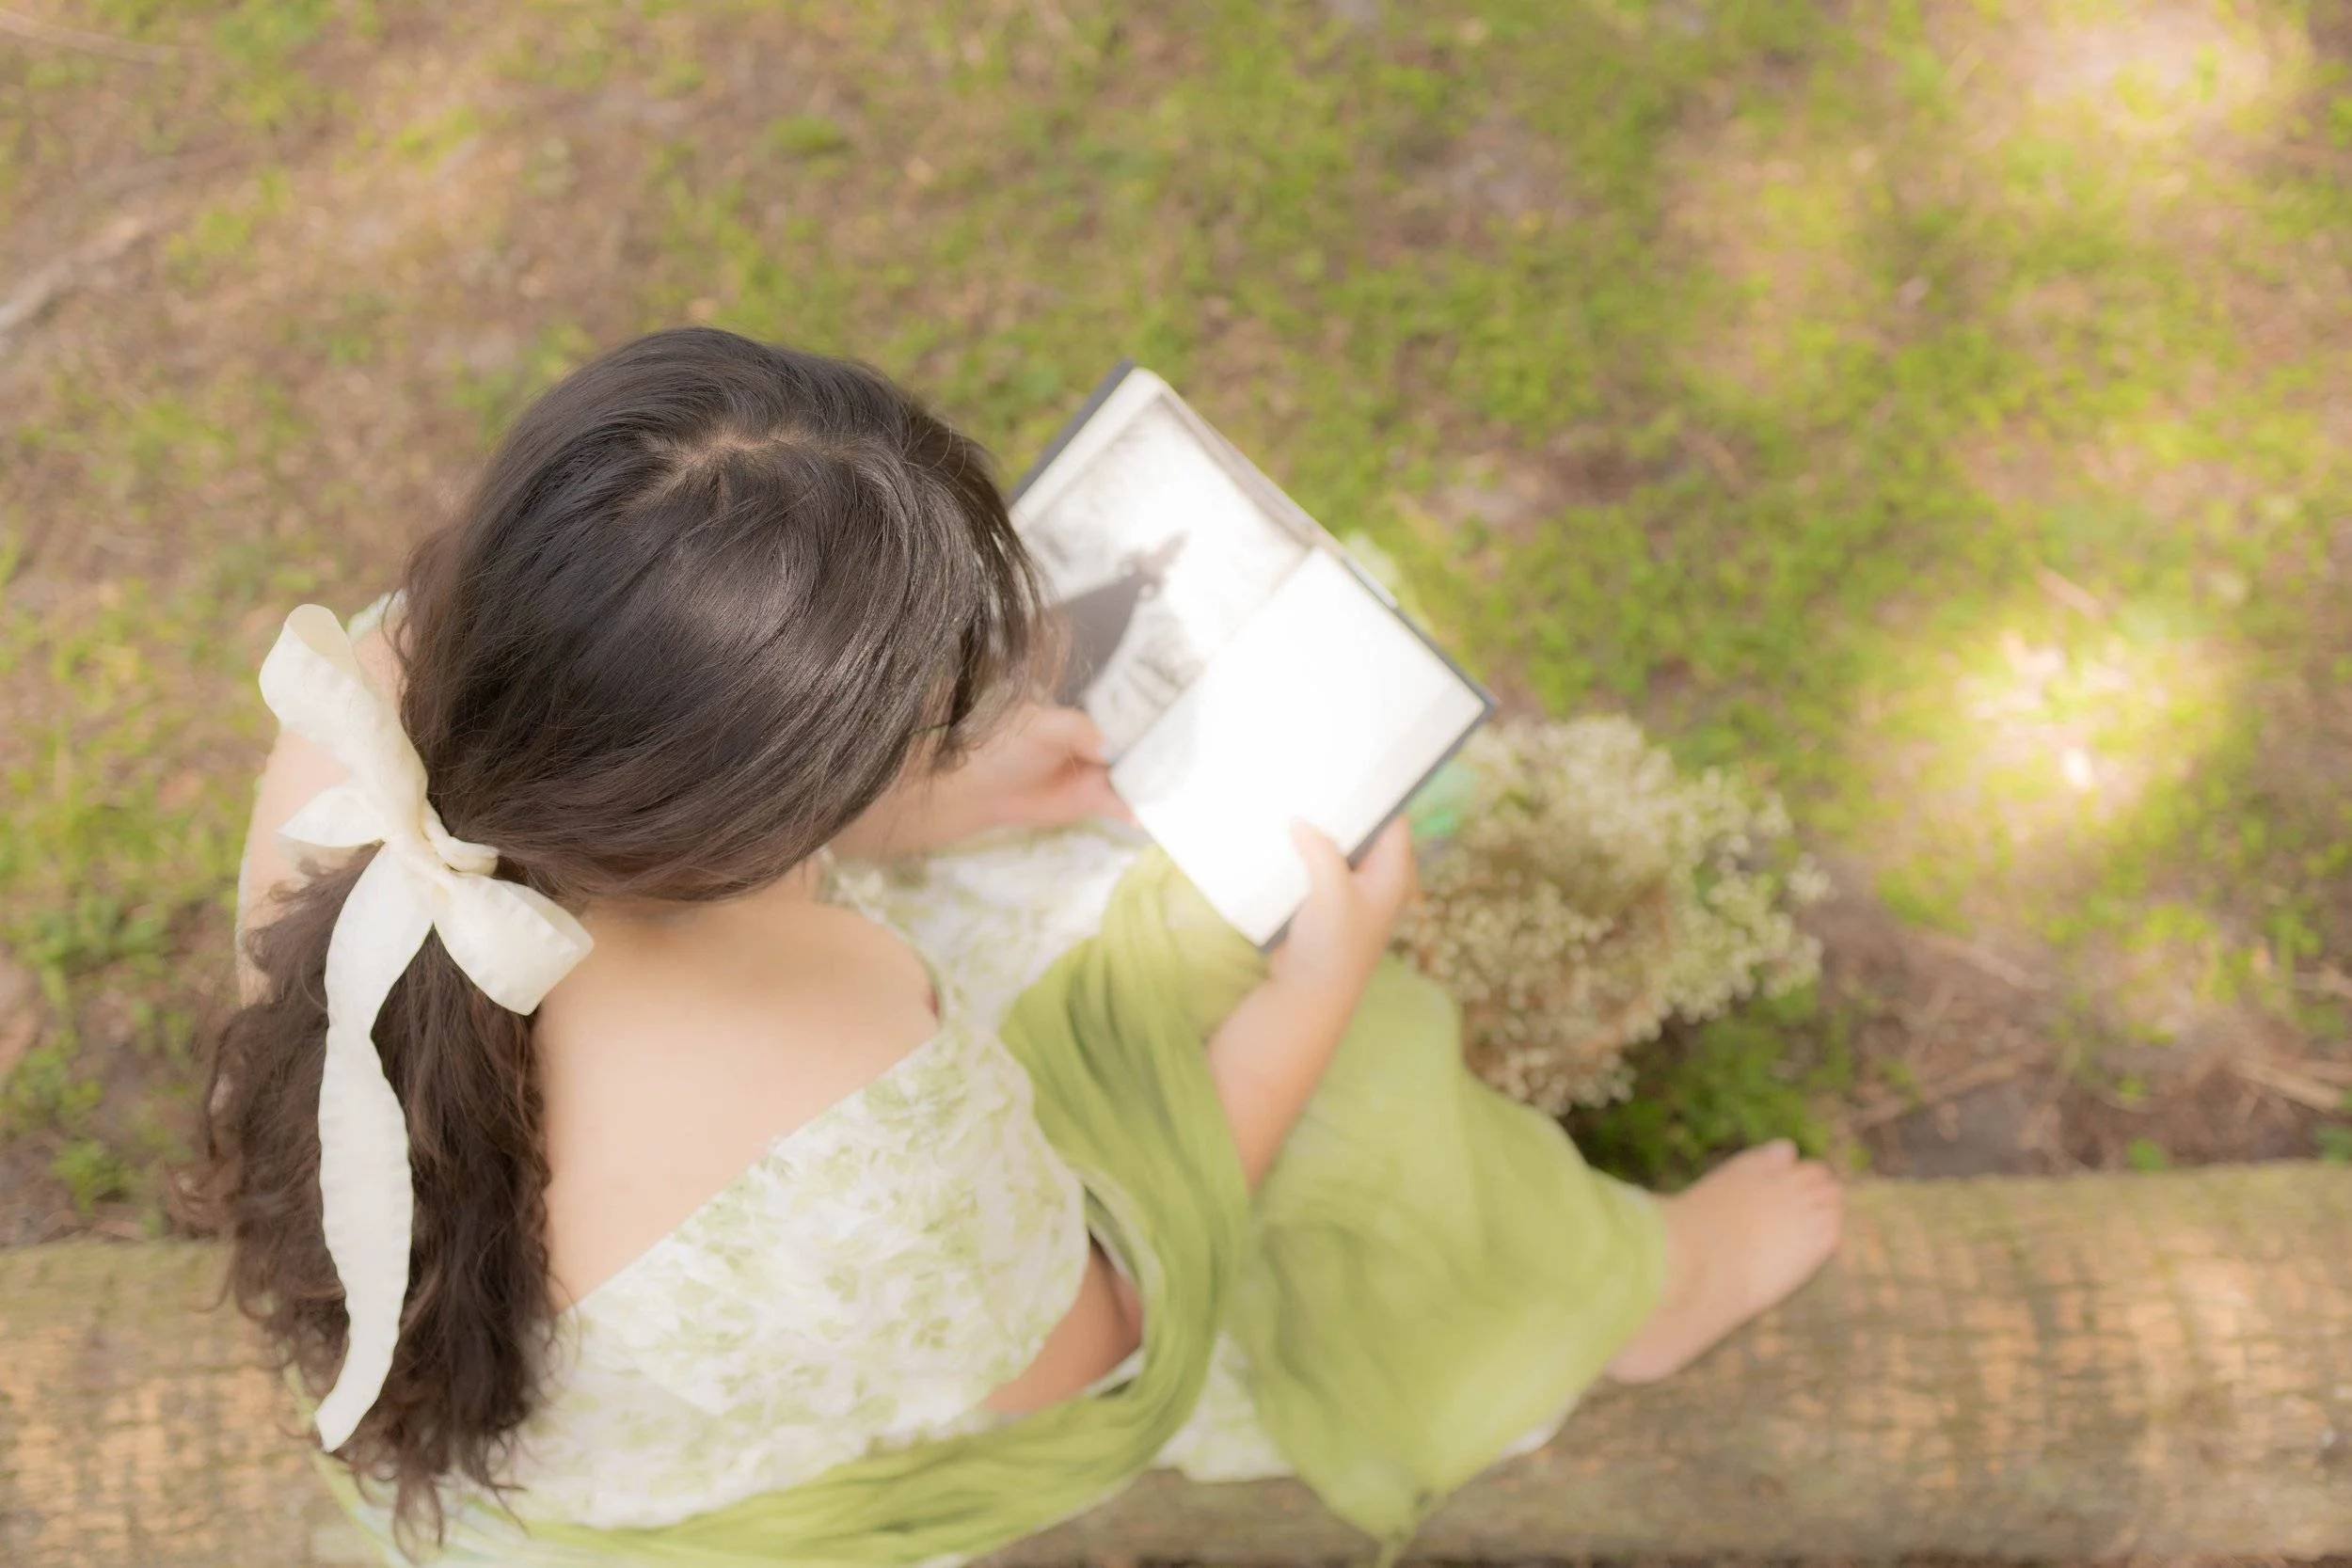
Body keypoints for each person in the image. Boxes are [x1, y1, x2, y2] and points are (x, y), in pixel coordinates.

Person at [202, 328, 1842, 1566]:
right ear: (756, 812)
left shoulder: (372, 693)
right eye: (905, 726)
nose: (945, 726)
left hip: (459, 1369)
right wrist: (1321, 989)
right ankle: (1634, 1294)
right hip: (724, 1459)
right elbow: (1092, 1344)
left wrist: (914, 808)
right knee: (1365, 1105)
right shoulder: (849, 1056)